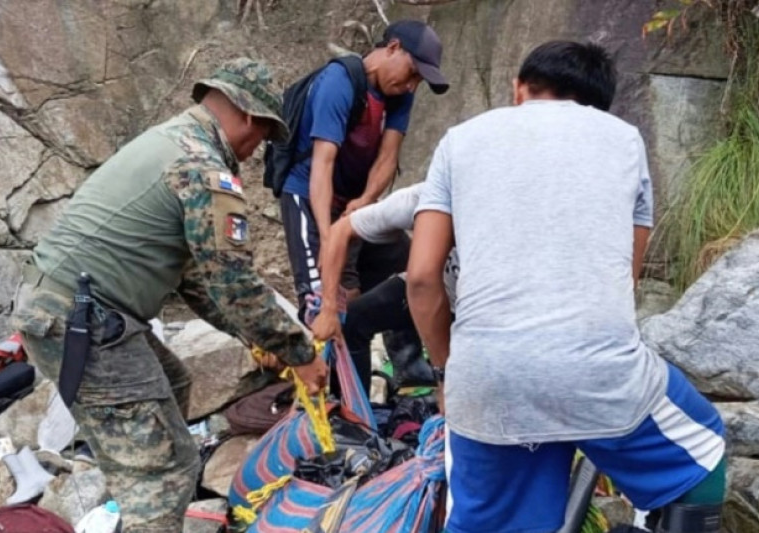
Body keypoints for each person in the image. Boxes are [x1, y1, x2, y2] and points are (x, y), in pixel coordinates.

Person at [407, 42, 726, 533]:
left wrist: (448, 371)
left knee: (509, 520)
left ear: (519, 88)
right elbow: (627, 278)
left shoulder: (459, 139)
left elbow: (423, 280)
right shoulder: (624, 139)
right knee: (702, 454)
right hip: (597, 370)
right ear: (600, 104)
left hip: (486, 375)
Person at [10, 59, 327, 533]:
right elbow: (233, 282)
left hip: (65, 310)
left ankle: (136, 492)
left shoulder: (167, 142)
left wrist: (251, 339)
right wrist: (299, 352)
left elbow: (194, 280)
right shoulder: (202, 170)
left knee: (173, 384)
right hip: (86, 323)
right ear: (245, 115)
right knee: (167, 470)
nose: (255, 149)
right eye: (261, 135)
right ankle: (146, 502)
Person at [279, 20, 449, 316]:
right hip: (309, 196)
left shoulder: (400, 94)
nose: (412, 85)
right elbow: (323, 163)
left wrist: (367, 200)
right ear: (393, 48)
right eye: (412, 73)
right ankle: (323, 358)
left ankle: (406, 358)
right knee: (322, 302)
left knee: (402, 269)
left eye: (419, 80)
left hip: (352, 200)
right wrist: (327, 237)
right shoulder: (339, 82)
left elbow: (388, 157)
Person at [310, 183, 455, 391]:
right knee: (354, 319)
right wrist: (329, 309)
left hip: (484, 306)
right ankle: (354, 414)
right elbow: (339, 231)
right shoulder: (422, 198)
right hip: (438, 285)